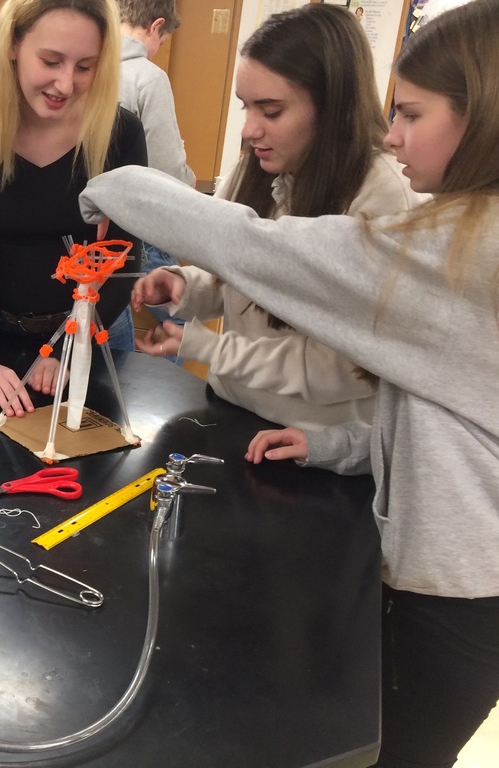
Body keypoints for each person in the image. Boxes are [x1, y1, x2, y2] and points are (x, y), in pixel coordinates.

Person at [79, 0, 499, 764]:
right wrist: (342, 446)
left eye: (411, 114)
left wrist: (117, 186)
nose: (393, 134)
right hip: (389, 532)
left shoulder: (462, 253)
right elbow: (440, 419)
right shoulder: (455, 233)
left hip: (458, 596)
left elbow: (263, 255)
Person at [130, 3, 427, 430]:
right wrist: (186, 286)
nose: (249, 130)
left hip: (313, 437)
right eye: (245, 108)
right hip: (232, 410)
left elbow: (347, 367)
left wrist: (209, 348)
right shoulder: (257, 167)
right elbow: (241, 278)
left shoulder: (383, 195)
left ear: (331, 106)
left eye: (271, 112)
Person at [0, 0, 147, 416]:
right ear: (13, 45)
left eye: (84, 67)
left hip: (94, 330)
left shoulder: (119, 134)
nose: (65, 84)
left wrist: (67, 347)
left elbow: (126, 262)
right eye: (50, 62)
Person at [117, 0, 194, 364]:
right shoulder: (148, 78)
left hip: (95, 226)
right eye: (161, 41)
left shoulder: (89, 69)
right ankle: (166, 390)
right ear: (155, 26)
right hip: (141, 223)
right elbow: (167, 168)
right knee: (182, 319)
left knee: (109, 317)